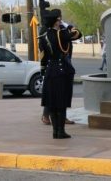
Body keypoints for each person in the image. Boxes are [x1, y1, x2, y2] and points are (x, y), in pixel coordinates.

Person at [39, 9, 82, 139]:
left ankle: (55, 131)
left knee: (52, 102)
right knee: (61, 102)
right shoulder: (61, 34)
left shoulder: (43, 36)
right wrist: (68, 26)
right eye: (60, 19)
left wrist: (43, 71)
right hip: (62, 70)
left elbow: (43, 58)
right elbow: (78, 34)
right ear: (57, 21)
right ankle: (61, 131)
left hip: (50, 71)